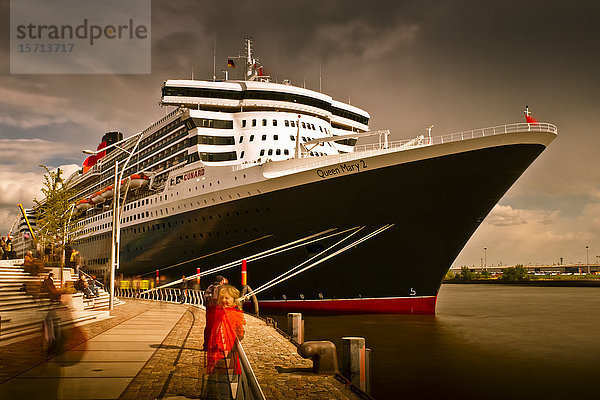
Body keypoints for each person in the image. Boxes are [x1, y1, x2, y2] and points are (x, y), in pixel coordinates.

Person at [206, 284, 246, 374]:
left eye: (227, 298)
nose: (223, 300)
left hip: (227, 348)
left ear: (234, 299)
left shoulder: (236, 313)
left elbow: (240, 331)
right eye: (222, 298)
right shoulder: (219, 310)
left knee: (225, 370)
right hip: (217, 347)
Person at [203, 275, 226, 350]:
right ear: (221, 281)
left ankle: (206, 345)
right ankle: (215, 345)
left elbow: (205, 299)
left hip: (209, 310)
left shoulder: (209, 287)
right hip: (217, 309)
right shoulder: (221, 288)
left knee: (208, 327)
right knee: (217, 328)